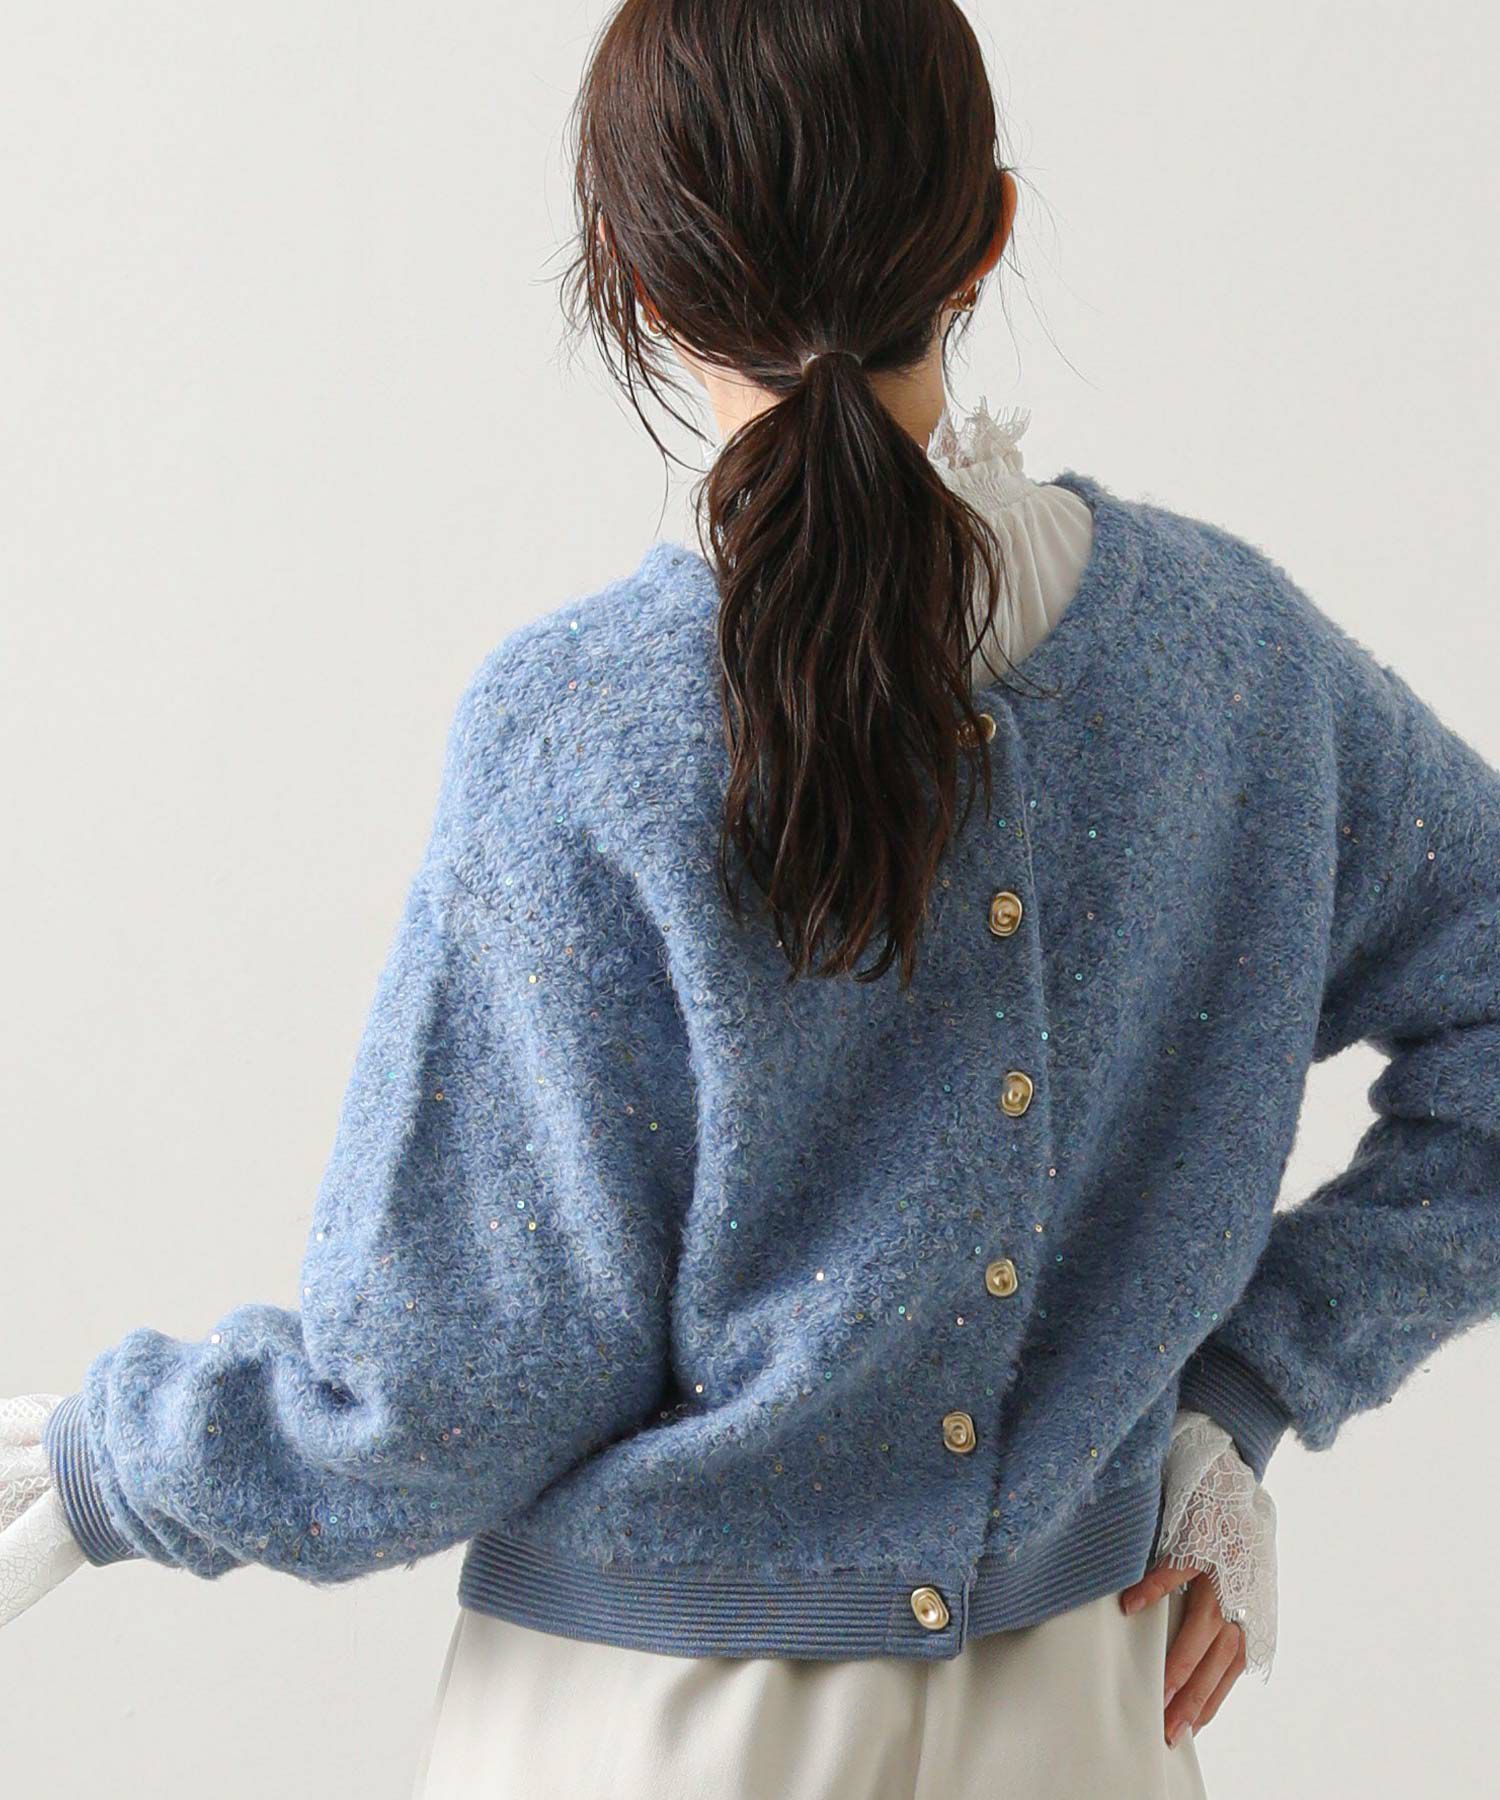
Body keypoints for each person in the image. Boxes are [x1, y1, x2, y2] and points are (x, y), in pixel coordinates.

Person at [4, 3, 1496, 1796]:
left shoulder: (579, 727)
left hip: (649, 1739)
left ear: (635, 281)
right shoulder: (1231, 663)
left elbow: (430, 1404)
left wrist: (111, 1465)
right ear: (990, 232)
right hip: (1079, 1729)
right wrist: (1239, 1399)